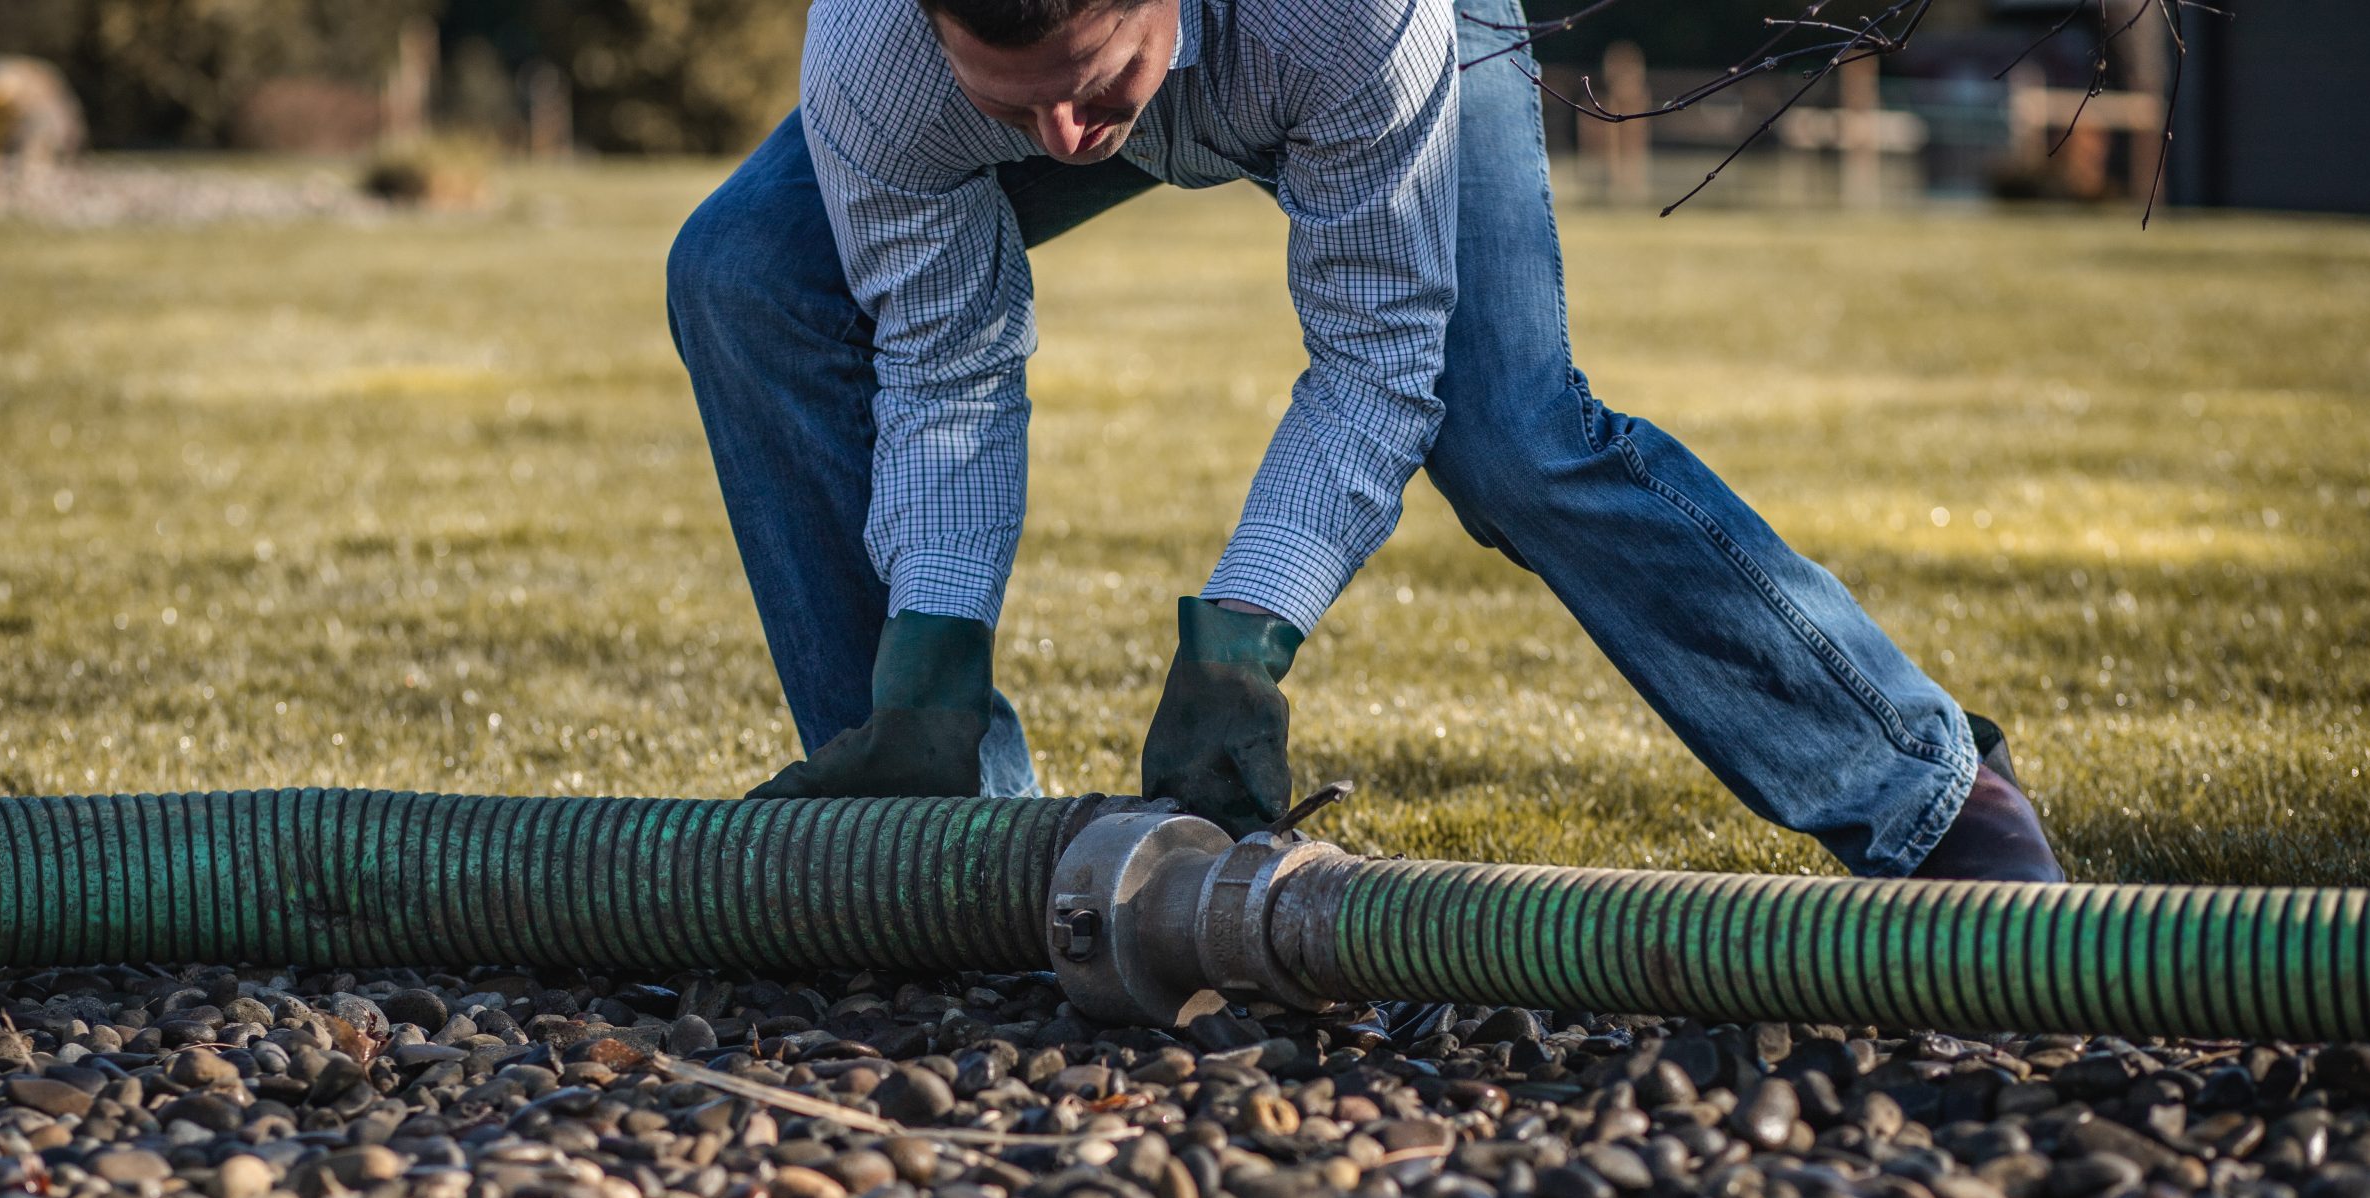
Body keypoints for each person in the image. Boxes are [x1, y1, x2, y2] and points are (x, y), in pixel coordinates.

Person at [665, 0, 2067, 881]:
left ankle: (1921, 789)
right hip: (1103, 55)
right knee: (746, 272)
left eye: (1092, 81)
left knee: (1509, 432)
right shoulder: (881, 51)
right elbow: (943, 355)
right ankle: (950, 846)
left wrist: (1243, 641)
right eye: (1014, 101)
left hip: (1356, 43)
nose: (1066, 136)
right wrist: (934, 657)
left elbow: (1375, 353)